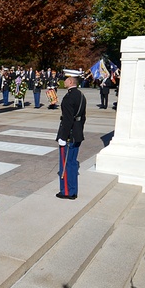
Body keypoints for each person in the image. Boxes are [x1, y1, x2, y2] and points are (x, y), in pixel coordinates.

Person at [56, 72, 87, 200]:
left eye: (66, 79)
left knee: (67, 164)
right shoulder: (81, 95)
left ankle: (68, 191)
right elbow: (83, 117)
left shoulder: (69, 97)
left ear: (70, 81)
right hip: (77, 133)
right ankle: (73, 189)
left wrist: (63, 137)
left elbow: (68, 119)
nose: (64, 82)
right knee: (73, 163)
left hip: (69, 135)